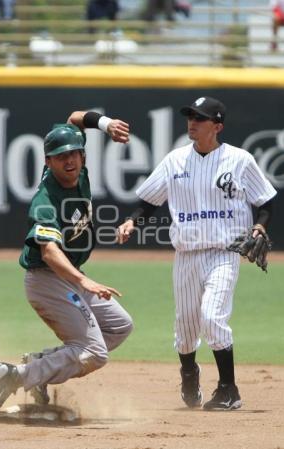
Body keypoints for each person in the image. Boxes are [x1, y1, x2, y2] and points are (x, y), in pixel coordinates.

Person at [117, 96, 277, 411]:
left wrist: (259, 227)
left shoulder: (240, 160)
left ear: (217, 126)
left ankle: (229, 390)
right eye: (191, 116)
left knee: (212, 317)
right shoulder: (175, 161)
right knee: (186, 329)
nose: (193, 122)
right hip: (187, 255)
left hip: (224, 253)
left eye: (200, 118)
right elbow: (149, 202)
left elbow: (266, 203)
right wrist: (131, 221)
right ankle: (189, 373)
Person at [0, 110, 133, 420]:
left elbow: (74, 119)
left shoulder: (78, 172)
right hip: (47, 280)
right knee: (94, 352)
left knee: (120, 326)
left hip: (67, 278)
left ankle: (37, 365)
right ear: (47, 163)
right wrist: (84, 282)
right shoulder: (45, 200)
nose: (69, 160)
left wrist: (105, 125)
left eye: (73, 153)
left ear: (82, 154)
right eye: (59, 156)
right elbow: (51, 253)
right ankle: (13, 375)